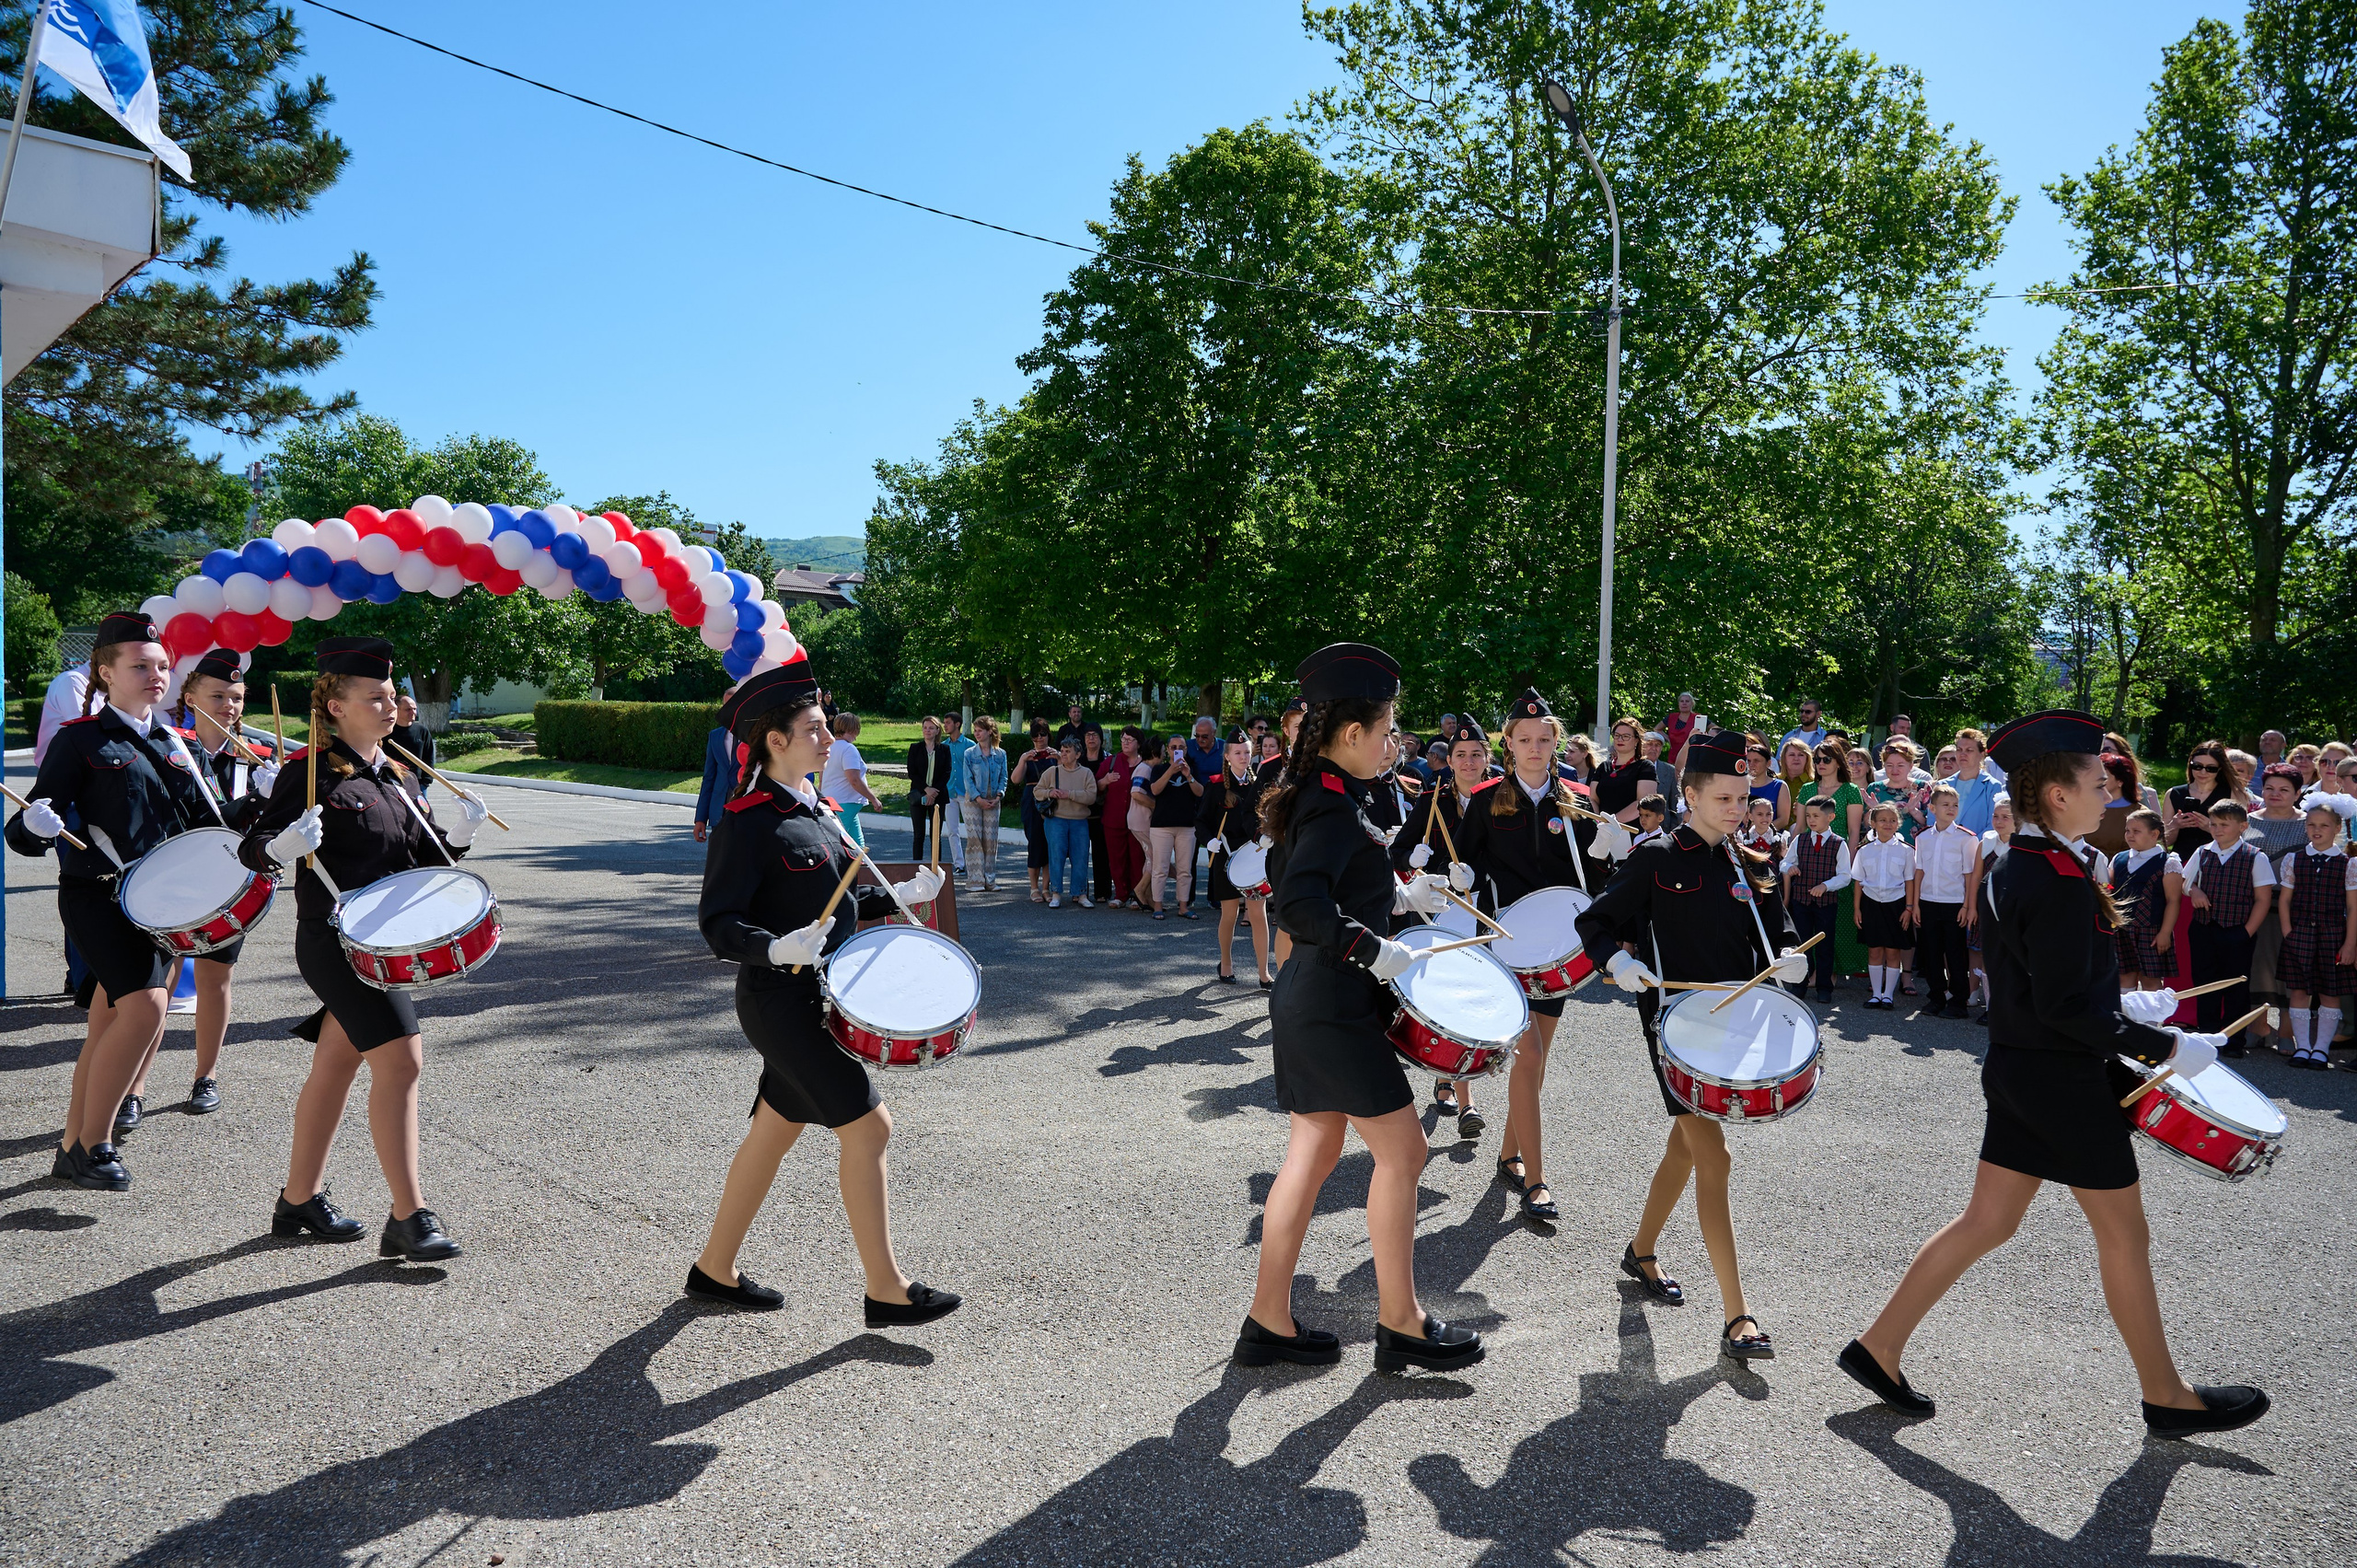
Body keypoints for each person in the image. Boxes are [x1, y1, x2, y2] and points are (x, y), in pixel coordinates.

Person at [1837, 708, 2267, 1441]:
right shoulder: (2062, 876)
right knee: (2125, 1237)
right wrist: (2164, 1046)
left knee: (1988, 1220)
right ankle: (2167, 1394)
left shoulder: (2021, 860)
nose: (2112, 795)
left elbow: (2039, 984)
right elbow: (2065, 1004)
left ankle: (1878, 1346)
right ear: (2060, 795)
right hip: (2064, 1083)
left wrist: (2126, 999)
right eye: (2099, 783)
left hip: (2016, 1067)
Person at [685, 656, 957, 1323]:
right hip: (779, 1001)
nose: (829, 740)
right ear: (775, 740)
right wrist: (773, 946)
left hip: (820, 995)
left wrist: (898, 898)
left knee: (771, 1134)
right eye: (814, 729)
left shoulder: (821, 812)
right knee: (870, 1126)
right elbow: (717, 922)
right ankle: (885, 1289)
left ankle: (713, 1268)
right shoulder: (747, 819)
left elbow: (837, 904)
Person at [1237, 642, 1480, 1375]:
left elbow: (1324, 881)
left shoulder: (1326, 795)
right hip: (1334, 1002)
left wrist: (1403, 898)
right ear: (1351, 735)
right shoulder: (1334, 807)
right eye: (1385, 731)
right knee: (1404, 1153)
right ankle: (1401, 1321)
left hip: (1311, 999)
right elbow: (1299, 902)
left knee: (1309, 1157)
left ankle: (1267, 1320)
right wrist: (1371, 946)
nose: (1392, 743)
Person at [238, 636, 492, 1259]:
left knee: (336, 1063)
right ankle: (409, 1215)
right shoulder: (308, 771)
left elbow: (423, 860)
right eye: (375, 697)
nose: (391, 705)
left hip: (382, 942)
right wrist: (280, 847)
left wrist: (457, 836)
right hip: (334, 940)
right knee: (402, 1060)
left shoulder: (397, 772)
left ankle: (299, 1198)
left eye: (391, 695)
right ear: (335, 704)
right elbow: (254, 845)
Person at [1575, 729, 1808, 1363]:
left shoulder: (1746, 861)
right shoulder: (1655, 857)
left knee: (1686, 1147)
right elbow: (1592, 922)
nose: (1737, 807)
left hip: (1736, 1029)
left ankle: (1641, 1248)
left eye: (1743, 796)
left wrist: (1788, 959)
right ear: (1693, 794)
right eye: (1725, 797)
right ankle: (1738, 1315)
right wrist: (1615, 963)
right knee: (1716, 1155)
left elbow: (1779, 933)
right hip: (1675, 1031)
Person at [6, 612, 218, 1191]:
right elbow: (21, 833)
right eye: (141, 666)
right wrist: (36, 824)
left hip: (164, 904)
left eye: (163, 666)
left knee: (106, 1024)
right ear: (105, 672)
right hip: (99, 895)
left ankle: (73, 1143)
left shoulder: (176, 741)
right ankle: (94, 1146)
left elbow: (206, 824)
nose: (157, 675)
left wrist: (266, 813)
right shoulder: (81, 740)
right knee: (147, 1008)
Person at [1457, 691, 1631, 1227]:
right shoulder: (1487, 800)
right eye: (1524, 740)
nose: (1535, 748)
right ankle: (1536, 1180)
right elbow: (1460, 865)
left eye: (1544, 739)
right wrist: (1456, 876)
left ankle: (1509, 1155)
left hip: (1556, 949)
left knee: (1536, 1062)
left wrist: (1610, 855)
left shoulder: (1578, 798)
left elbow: (1594, 881)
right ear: (1507, 744)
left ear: (1558, 742)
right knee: (1528, 1057)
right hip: (1505, 944)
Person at [136, 647, 283, 1118]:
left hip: (231, 888)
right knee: (161, 981)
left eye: (237, 697)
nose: (229, 706)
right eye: (217, 695)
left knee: (216, 979)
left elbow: (269, 832)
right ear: (192, 697)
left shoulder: (259, 760)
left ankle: (206, 1076)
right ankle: (135, 1085)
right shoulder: (170, 749)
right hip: (175, 884)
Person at [1394, 721, 1495, 1136]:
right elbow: (1400, 850)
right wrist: (1413, 857)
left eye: (1476, 754)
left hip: (1490, 910)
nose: (1468, 762)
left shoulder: (1502, 797)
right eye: (1461, 755)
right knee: (1454, 996)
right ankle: (1457, 1092)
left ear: (1488, 759)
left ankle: (1452, 1085)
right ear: (1449, 761)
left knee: (1477, 999)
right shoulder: (1434, 796)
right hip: (1445, 911)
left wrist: (1481, 872)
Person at [2184, 799, 2274, 1053]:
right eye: (2213, 824)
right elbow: (2185, 881)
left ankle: (2233, 1041)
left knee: (2236, 987)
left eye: (2224, 824)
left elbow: (2262, 899)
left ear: (2243, 826)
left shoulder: (2255, 857)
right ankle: (2207, 1037)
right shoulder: (2202, 852)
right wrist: (2195, 890)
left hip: (2237, 930)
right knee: (2205, 983)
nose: (2217, 829)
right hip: (2204, 928)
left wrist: (2246, 932)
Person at [2275, 794, 2356, 1069]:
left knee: (2330, 992)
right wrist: (2288, 932)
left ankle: (2321, 1049)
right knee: (2299, 990)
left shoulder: (2349, 864)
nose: (2317, 830)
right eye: (2311, 825)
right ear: (2305, 826)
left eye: (2324, 825)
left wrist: (2349, 944)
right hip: (2300, 934)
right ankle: (2303, 1047)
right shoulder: (2293, 860)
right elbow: (2285, 900)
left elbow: (2353, 908)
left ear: (2337, 828)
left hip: (2334, 935)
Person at [2245, 763, 2311, 1053]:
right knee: (2256, 966)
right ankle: (2257, 1026)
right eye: (2269, 788)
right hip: (2252, 905)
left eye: (2284, 790)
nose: (2275, 794)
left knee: (2292, 970)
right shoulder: (2246, 820)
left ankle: (2287, 1032)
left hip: (2296, 908)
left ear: (2298, 793)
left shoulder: (2310, 823)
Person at [1199, 728, 1273, 985]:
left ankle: (1264, 973)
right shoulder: (1216, 784)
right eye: (1238, 752)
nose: (1243, 757)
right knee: (1229, 913)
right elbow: (1201, 822)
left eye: (1247, 752)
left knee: (1258, 914)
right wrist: (1209, 840)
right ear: (1228, 756)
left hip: (1253, 855)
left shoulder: (1258, 785)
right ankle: (1226, 962)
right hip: (1226, 854)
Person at [1796, 741, 1865, 982]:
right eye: (1817, 760)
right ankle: (1814, 970)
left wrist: (1852, 867)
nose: (1821, 764)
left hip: (1838, 857)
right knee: (1810, 918)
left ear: (1838, 761)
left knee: (1837, 918)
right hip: (1809, 859)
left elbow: (1854, 832)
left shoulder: (1851, 790)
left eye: (1826, 759)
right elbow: (1800, 827)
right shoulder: (1807, 789)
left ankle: (1832, 971)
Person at [1910, 784, 1980, 1018]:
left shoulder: (1966, 838)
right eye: (1945, 805)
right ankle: (1936, 997)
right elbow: (1919, 871)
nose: (1951, 809)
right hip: (1928, 902)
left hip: (1955, 904)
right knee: (1931, 953)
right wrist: (1916, 904)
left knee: (1956, 954)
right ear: (1932, 808)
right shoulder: (1923, 837)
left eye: (1955, 805)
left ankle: (1958, 1001)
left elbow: (1970, 875)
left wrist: (1968, 906)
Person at [1779, 796, 1852, 1005]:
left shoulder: (1839, 844)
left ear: (1830, 817)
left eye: (1816, 816)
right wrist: (1789, 868)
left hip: (1826, 903)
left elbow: (1845, 876)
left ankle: (1824, 987)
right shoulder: (1800, 839)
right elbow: (1785, 862)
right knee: (1801, 945)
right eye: (1808, 815)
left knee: (1825, 946)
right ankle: (1799, 986)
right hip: (1800, 901)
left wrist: (1825, 886)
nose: (1811, 820)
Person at [1853, 801, 1915, 1009]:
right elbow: (1859, 882)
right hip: (1871, 903)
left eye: (1892, 820)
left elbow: (1910, 881)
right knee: (1874, 950)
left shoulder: (1906, 851)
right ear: (1873, 823)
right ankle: (1876, 994)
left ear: (1898, 823)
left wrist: (1909, 908)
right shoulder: (1864, 851)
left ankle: (1888, 995)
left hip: (1896, 904)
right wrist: (1856, 909)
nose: (1887, 824)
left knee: (1893, 951)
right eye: (1882, 820)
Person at [1145, 728, 1205, 919]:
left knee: (1184, 870)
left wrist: (1188, 776)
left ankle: (1183, 906)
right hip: (1161, 826)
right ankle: (1158, 906)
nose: (1177, 750)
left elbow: (1200, 792)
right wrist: (1171, 771)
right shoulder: (1159, 769)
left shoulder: (1192, 768)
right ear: (1168, 751)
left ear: (1186, 750)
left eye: (1181, 747)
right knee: (1160, 869)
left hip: (1187, 826)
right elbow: (1154, 790)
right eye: (1173, 747)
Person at [1033, 735, 1098, 908]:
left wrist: (1070, 794)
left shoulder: (1086, 773)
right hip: (1056, 820)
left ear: (1078, 755)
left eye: (1068, 751)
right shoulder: (1052, 772)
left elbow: (1091, 796)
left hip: (1079, 820)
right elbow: (1037, 791)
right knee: (1056, 856)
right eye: (1062, 751)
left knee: (1081, 857)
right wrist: (1049, 793)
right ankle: (1056, 894)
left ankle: (1081, 894)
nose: (1063, 754)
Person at [1010, 719, 1058, 902]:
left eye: (1043, 734)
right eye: (1035, 735)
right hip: (1032, 800)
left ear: (1048, 735)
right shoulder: (1027, 756)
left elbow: (1067, 773)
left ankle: (1046, 888)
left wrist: (1060, 758)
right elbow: (1015, 780)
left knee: (1050, 845)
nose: (1039, 738)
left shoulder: (1055, 755)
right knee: (1035, 843)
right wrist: (1023, 760)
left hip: (1052, 800)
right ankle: (1033, 887)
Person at [960, 716, 1007, 892]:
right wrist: (978, 798)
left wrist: (999, 795)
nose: (976, 734)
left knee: (991, 840)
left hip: (993, 800)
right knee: (975, 838)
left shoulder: (1001, 754)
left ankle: (990, 880)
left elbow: (1004, 777)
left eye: (980, 730)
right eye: (975, 730)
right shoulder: (969, 753)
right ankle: (975, 880)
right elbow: (968, 779)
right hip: (973, 800)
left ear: (989, 731)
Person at [2165, 740, 2235, 858]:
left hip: (2218, 859)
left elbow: (2238, 838)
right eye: (2197, 766)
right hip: (2181, 860)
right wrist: (2174, 825)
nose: (2203, 772)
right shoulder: (2173, 794)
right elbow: (2166, 842)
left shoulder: (2232, 794)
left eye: (2210, 768)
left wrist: (2210, 827)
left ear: (2220, 769)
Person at [819, 713, 881, 847]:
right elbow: (854, 780)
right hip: (846, 802)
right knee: (834, 842)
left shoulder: (829, 747)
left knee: (857, 844)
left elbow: (822, 776)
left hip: (831, 800)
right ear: (854, 729)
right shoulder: (849, 749)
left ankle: (861, 864)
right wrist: (873, 798)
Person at [905, 715, 954, 865]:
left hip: (938, 797)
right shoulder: (915, 748)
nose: (927, 731)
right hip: (918, 794)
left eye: (931, 728)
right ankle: (916, 866)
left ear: (937, 730)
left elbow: (947, 772)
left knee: (935, 835)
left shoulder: (945, 749)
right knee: (918, 835)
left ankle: (935, 867)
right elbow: (912, 772)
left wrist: (934, 792)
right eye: (925, 728)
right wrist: (926, 790)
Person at [1084, 726, 1121, 906]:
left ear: (1101, 738)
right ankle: (1080, 892)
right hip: (1081, 812)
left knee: (1102, 854)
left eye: (1094, 735)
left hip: (1102, 812)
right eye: (1088, 735)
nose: (1091, 738)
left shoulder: (1109, 759)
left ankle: (1103, 892)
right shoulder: (1078, 758)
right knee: (1079, 855)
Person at [1866, 738, 1928, 842]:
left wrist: (1913, 811)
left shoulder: (1922, 787)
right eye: (1889, 765)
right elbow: (1865, 825)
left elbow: (1929, 822)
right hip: (1881, 848)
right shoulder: (1875, 789)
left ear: (1911, 766)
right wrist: (1875, 811)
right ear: (1883, 766)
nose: (1894, 770)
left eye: (1900, 765)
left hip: (1914, 849)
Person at [692, 703, 736, 845]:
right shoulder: (715, 736)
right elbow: (709, 779)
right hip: (719, 814)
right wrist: (701, 819)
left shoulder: (756, 736)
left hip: (748, 812)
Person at [941, 712, 975, 884]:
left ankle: (974, 863)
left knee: (971, 830)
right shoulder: (943, 746)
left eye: (947, 723)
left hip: (966, 793)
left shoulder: (970, 745)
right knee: (952, 831)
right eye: (944, 722)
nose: (944, 726)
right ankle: (959, 864)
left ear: (957, 724)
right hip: (949, 792)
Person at [1744, 740, 1790, 830]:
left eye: (1756, 761)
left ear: (1768, 763)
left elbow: (1783, 819)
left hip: (1771, 838)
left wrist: (1760, 832)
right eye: (1748, 761)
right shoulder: (1739, 785)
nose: (1751, 765)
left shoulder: (1780, 786)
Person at [387, 692, 435, 770]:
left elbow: (429, 758)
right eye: (408, 709)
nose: (413, 713)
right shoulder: (387, 731)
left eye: (414, 709)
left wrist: (426, 780)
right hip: (393, 778)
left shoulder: (422, 731)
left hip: (417, 780)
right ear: (396, 710)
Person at [1660, 692, 1704, 767]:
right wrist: (1668, 739)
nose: (1684, 703)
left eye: (1687, 701)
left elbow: (1715, 729)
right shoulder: (1671, 718)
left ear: (1692, 704)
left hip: (1692, 756)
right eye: (1682, 701)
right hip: (1674, 756)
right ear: (1679, 704)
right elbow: (1657, 729)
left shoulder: (1698, 718)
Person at [1183, 714, 1223, 781]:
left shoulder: (1225, 747)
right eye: (1197, 736)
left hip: (1218, 787)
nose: (1200, 739)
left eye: (1204, 736)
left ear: (1214, 733)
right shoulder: (1187, 746)